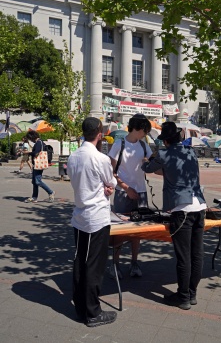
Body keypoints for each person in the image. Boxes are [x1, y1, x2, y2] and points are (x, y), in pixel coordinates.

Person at [141, 122, 207, 310]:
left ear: (166, 141)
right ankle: (192, 294)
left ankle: (183, 296)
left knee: (183, 256)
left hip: (182, 209)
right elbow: (174, 170)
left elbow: (148, 169)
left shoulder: (163, 154)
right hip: (200, 205)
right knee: (197, 254)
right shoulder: (190, 152)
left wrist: (144, 161)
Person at [67, 117, 117, 327]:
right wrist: (107, 187)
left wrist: (103, 187)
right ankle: (92, 312)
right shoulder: (100, 158)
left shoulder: (73, 156)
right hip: (96, 217)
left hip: (80, 215)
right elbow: (111, 180)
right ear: (99, 134)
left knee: (80, 262)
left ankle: (82, 308)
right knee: (94, 266)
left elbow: (80, 181)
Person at [108, 113, 152, 278]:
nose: (146, 134)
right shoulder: (120, 144)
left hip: (141, 192)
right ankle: (115, 264)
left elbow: (150, 162)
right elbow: (111, 172)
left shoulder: (143, 145)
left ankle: (134, 262)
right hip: (123, 193)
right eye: (145, 131)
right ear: (139, 129)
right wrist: (126, 188)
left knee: (138, 230)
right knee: (120, 230)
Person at [25, 131, 55, 203]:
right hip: (36, 164)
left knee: (37, 181)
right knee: (34, 182)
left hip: (38, 164)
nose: (30, 140)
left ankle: (50, 192)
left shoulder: (39, 142)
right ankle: (34, 197)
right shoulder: (39, 142)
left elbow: (36, 153)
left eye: (30, 138)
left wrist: (28, 153)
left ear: (32, 137)